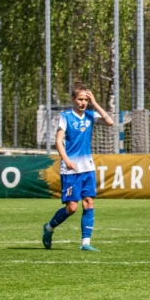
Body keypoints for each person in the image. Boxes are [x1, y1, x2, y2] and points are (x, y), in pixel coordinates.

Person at [42, 86, 114, 252]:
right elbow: (58, 141)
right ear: (73, 100)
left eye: (86, 100)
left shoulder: (90, 115)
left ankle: (85, 243)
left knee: (88, 202)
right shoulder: (66, 116)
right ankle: (49, 227)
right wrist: (66, 159)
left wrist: (95, 102)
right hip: (70, 169)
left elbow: (110, 122)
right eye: (80, 99)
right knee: (72, 208)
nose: (83, 103)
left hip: (87, 167)